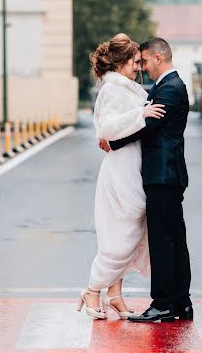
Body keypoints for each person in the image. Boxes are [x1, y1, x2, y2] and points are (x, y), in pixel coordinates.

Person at [101, 37, 192, 323]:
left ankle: (163, 303)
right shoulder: (167, 86)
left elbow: (149, 125)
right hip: (166, 174)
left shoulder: (170, 88)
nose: (142, 67)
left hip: (163, 175)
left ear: (157, 58)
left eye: (144, 61)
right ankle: (181, 302)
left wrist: (113, 143)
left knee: (164, 241)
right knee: (174, 239)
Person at [78, 33, 166, 320]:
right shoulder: (112, 90)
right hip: (121, 168)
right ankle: (92, 289)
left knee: (129, 228)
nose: (139, 66)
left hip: (133, 164)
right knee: (123, 231)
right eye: (134, 62)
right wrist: (140, 115)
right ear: (121, 63)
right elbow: (107, 129)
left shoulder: (129, 89)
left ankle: (114, 293)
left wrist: (142, 111)